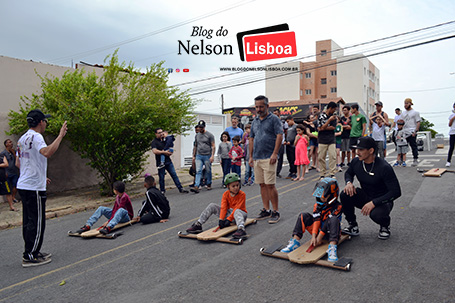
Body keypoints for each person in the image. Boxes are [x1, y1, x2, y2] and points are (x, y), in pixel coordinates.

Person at [16, 109, 67, 267]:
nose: (46, 123)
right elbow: (46, 152)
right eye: (45, 121)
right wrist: (60, 136)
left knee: (28, 221)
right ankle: (30, 255)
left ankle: (32, 251)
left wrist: (38, 174)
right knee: (37, 222)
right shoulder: (37, 137)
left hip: (23, 184)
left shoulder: (22, 138)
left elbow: (19, 163)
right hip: (34, 188)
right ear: (40, 122)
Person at [340, 137, 401, 240]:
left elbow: (396, 192)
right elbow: (349, 173)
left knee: (376, 214)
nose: (357, 152)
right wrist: (349, 183)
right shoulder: (356, 162)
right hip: (366, 195)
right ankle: (353, 225)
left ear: (371, 150)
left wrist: (374, 203)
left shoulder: (384, 167)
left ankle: (385, 226)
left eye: (361, 150)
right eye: (356, 149)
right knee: (345, 194)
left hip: (382, 200)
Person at [280, 177, 342, 263]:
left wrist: (319, 238)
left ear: (332, 195)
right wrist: (314, 237)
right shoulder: (317, 206)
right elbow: (316, 220)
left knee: (333, 219)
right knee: (303, 215)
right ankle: (295, 242)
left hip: (330, 233)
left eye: (324, 197)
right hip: (319, 232)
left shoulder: (338, 207)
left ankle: (332, 249)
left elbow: (328, 222)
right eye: (320, 197)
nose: (321, 199)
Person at [249, 95, 283, 224]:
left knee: (270, 185)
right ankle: (266, 209)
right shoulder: (255, 121)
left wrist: (275, 153)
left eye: (261, 106)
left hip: (269, 157)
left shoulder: (274, 119)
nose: (259, 109)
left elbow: (279, 136)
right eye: (257, 107)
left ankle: (275, 211)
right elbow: (251, 138)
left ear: (267, 106)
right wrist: (251, 157)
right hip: (257, 157)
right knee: (262, 185)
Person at [186, 173, 248, 239]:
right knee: (212, 205)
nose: (236, 188)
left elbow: (237, 208)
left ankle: (241, 229)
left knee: (237, 211)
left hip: (240, 215)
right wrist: (221, 219)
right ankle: (198, 224)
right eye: (233, 186)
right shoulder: (225, 194)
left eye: (237, 185)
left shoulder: (242, 194)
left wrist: (229, 220)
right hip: (229, 214)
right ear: (228, 187)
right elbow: (224, 207)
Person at [151, 128, 188, 195]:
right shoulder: (154, 142)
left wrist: (170, 152)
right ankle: (162, 190)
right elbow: (154, 151)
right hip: (160, 163)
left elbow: (170, 146)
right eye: (159, 133)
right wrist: (164, 152)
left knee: (174, 175)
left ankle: (180, 188)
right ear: (156, 134)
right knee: (161, 177)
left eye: (162, 132)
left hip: (168, 161)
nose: (161, 134)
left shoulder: (165, 140)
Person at [191, 120, 216, 193]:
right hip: (199, 155)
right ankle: (196, 185)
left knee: (208, 170)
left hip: (207, 155)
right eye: (199, 127)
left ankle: (209, 183)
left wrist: (212, 156)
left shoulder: (209, 135)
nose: (200, 129)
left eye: (202, 127)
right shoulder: (197, 135)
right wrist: (194, 156)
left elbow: (213, 146)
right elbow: (195, 146)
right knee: (198, 170)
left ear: (204, 127)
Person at [317, 102, 338, 179]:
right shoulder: (321, 116)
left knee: (333, 156)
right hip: (322, 139)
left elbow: (333, 127)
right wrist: (328, 121)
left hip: (331, 139)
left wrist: (324, 127)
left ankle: (332, 173)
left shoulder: (334, 117)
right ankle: (322, 174)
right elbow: (320, 128)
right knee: (321, 157)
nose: (334, 111)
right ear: (330, 108)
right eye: (334, 109)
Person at [401, 98, 421, 166]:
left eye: (407, 103)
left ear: (410, 103)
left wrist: (415, 131)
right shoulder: (403, 113)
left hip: (412, 131)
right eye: (404, 103)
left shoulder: (415, 112)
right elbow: (401, 121)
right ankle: (402, 160)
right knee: (403, 146)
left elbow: (418, 122)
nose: (405, 105)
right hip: (404, 131)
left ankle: (415, 159)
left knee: (413, 146)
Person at [273, 109, 287, 178]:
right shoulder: (271, 121)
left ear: (279, 113)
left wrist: (285, 140)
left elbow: (286, 131)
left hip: (281, 142)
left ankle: (278, 172)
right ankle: (273, 171)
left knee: (280, 158)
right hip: (273, 142)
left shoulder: (283, 122)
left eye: (276, 113)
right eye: (274, 113)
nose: (275, 114)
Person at [447, 103, 455, 167]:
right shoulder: (452, 115)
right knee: (451, 147)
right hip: (452, 133)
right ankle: (448, 161)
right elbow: (449, 124)